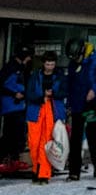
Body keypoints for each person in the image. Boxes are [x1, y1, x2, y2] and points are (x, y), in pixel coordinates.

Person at [65, 38, 96, 181]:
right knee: (75, 137)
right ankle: (74, 171)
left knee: (92, 134)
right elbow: (70, 85)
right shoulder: (73, 64)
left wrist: (94, 91)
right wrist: (69, 105)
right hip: (77, 104)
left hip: (93, 104)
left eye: (77, 57)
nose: (75, 60)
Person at [25, 51, 67, 184]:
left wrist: (53, 94)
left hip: (52, 110)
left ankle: (44, 173)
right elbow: (29, 93)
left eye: (52, 64)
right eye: (48, 64)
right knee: (34, 143)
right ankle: (36, 170)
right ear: (43, 63)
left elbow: (64, 92)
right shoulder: (35, 76)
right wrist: (41, 97)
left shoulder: (60, 76)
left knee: (47, 142)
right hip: (36, 109)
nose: (50, 66)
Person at [0, 45, 33, 169]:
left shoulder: (21, 68)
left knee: (18, 133)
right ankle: (5, 158)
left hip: (19, 105)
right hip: (11, 105)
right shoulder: (11, 68)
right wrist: (14, 94)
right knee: (11, 134)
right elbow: (2, 84)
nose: (30, 59)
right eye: (28, 56)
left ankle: (14, 159)